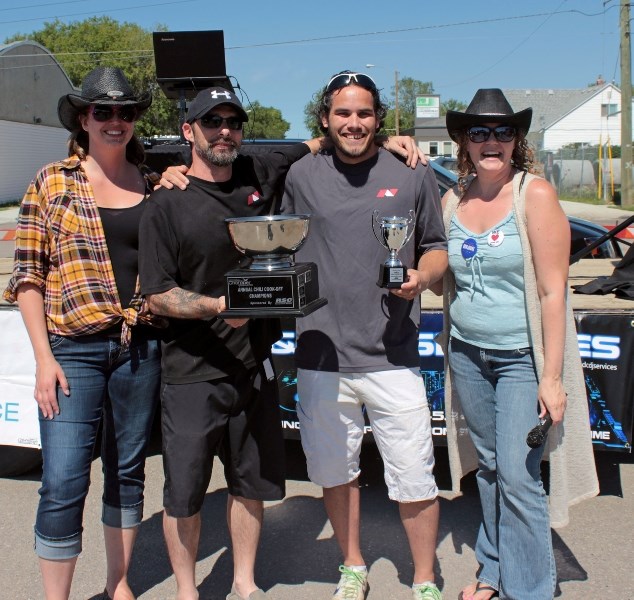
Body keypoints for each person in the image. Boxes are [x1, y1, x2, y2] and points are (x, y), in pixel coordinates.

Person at [141, 84, 428, 600]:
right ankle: (186, 592)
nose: (223, 131)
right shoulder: (166, 199)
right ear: (190, 131)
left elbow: (324, 143)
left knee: (250, 484)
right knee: (183, 492)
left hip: (254, 364)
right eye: (212, 122)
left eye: (232, 122)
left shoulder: (259, 175)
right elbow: (156, 295)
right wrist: (216, 308)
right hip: (191, 370)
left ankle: (245, 584)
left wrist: (392, 140)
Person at [280, 71, 448, 600]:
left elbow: (436, 246)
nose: (354, 123)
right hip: (320, 354)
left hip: (393, 355)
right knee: (336, 473)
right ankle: (352, 566)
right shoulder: (301, 174)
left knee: (415, 477)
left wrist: (422, 276)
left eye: (365, 113)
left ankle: (424, 577)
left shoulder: (412, 171)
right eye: (343, 113)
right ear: (326, 119)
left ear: (379, 118)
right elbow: (277, 243)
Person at [3, 66, 163, 600]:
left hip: (139, 348)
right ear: (84, 118)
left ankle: (118, 585)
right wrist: (44, 359)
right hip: (72, 350)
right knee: (65, 479)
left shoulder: (154, 183)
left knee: (128, 471)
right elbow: (26, 275)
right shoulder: (52, 181)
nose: (115, 121)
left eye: (125, 112)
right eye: (103, 111)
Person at [437, 89, 599, 600]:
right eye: (479, 132)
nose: (491, 141)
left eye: (502, 131)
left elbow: (554, 291)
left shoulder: (536, 194)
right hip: (466, 352)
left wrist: (552, 378)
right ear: (464, 141)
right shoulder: (452, 198)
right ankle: (494, 569)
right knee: (488, 467)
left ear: (517, 140)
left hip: (521, 359)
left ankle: (529, 590)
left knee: (518, 475)